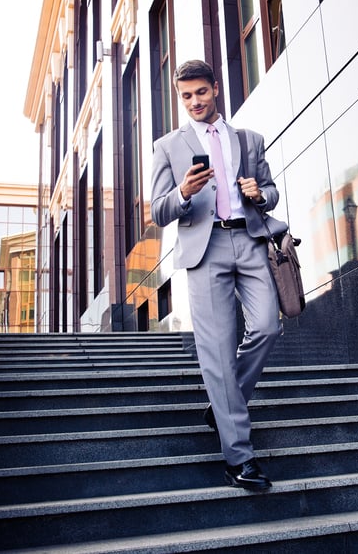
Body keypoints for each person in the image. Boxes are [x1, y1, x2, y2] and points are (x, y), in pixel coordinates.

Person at [150, 59, 283, 491]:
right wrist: (184, 192)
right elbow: (158, 210)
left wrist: (261, 194)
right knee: (218, 352)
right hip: (204, 252)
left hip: (249, 241)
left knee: (266, 326)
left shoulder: (248, 138)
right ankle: (239, 459)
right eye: (185, 96)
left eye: (200, 93)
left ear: (216, 89)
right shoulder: (167, 146)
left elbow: (272, 189)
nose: (194, 102)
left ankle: (224, 403)